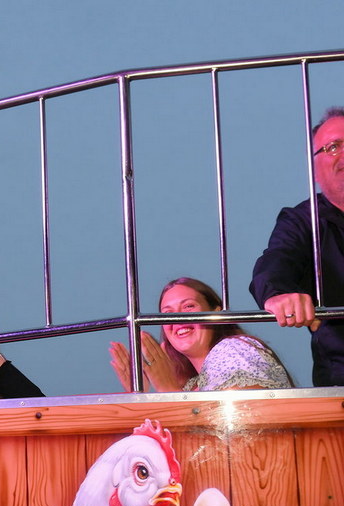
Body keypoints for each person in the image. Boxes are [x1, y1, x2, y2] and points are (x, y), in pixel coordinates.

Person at [251, 106, 344, 386]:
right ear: (314, 170)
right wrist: (278, 294)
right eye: (333, 147)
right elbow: (278, 260)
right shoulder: (304, 221)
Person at [110, 277, 291, 392]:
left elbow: (240, 421)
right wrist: (140, 397)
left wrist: (168, 390)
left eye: (188, 306)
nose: (177, 319)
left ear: (217, 313)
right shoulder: (192, 384)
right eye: (167, 313)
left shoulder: (233, 349)